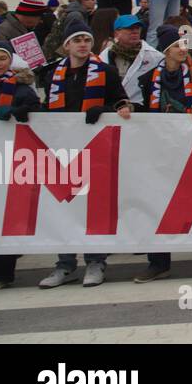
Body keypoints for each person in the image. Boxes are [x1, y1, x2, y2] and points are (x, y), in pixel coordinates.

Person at [35, 21, 132, 288]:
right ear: (67, 45)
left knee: (93, 207)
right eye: (77, 40)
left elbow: (121, 101)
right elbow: (46, 107)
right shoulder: (52, 73)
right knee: (64, 206)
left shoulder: (106, 71)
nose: (82, 45)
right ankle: (64, 264)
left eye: (86, 40)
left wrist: (104, 108)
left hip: (93, 148)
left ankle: (95, 261)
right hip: (62, 148)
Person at [133, 24, 192, 282]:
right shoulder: (149, 78)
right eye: (176, 46)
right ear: (166, 51)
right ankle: (158, 262)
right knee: (157, 205)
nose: (182, 50)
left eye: (184, 45)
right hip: (161, 149)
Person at [0, 42, 41, 291]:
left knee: (0, 216)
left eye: (2, 59)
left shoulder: (20, 87)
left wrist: (21, 111)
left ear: (10, 62)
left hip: (6, 162)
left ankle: (1, 273)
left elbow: (37, 111)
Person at [98, 15, 163, 107]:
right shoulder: (104, 56)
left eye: (137, 28)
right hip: (110, 110)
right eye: (129, 28)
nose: (135, 31)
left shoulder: (155, 56)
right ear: (117, 33)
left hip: (140, 112)